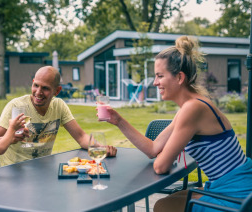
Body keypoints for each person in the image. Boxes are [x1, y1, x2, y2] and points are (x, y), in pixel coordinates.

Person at [103, 36, 252, 211]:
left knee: (163, 207)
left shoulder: (193, 108)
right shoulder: (190, 107)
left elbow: (161, 166)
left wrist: (166, 156)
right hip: (230, 186)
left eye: (160, 76)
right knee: (169, 201)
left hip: (236, 196)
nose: (155, 82)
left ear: (179, 77)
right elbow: (153, 148)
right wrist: (119, 121)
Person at [0, 66, 117, 166]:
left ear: (57, 91)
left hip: (43, 170)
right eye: (36, 85)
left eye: (45, 88)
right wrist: (9, 138)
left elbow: (81, 137)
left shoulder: (59, 106)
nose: (38, 92)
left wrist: (100, 148)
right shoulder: (16, 106)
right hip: (15, 171)